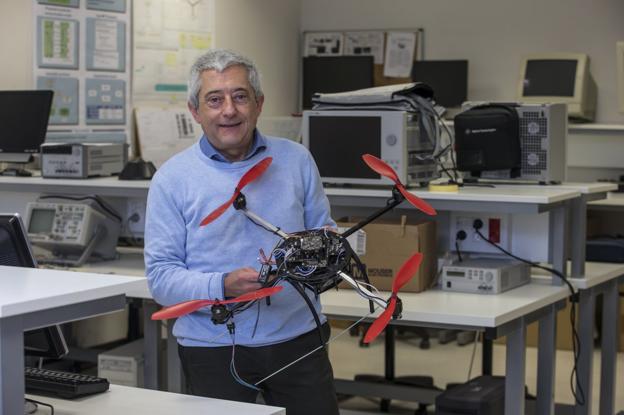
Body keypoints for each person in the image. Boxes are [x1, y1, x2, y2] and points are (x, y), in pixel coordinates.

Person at [144, 49, 339, 415]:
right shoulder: (172, 179)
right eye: (214, 100)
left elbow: (324, 233)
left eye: (239, 96)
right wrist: (222, 285)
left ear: (258, 104)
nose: (228, 110)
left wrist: (329, 249)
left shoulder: (296, 160)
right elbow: (161, 280)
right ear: (195, 111)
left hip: (297, 338)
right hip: (212, 346)